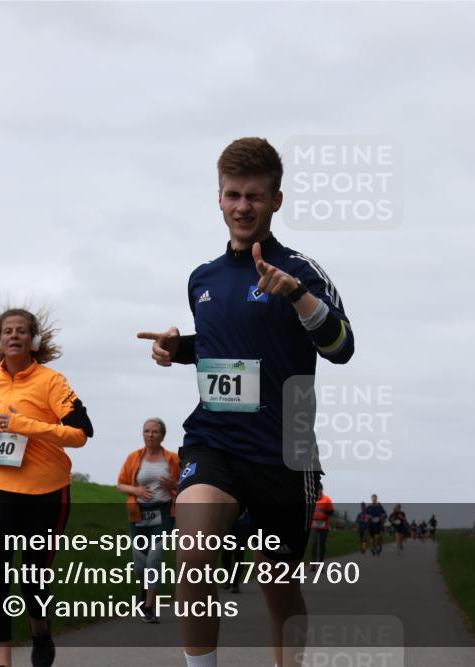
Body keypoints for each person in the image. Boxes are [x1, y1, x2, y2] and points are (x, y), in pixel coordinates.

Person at [138, 137, 354, 667]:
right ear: (218, 199)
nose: (242, 206)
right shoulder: (203, 278)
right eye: (232, 195)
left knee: (278, 591)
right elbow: (222, 346)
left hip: (285, 453)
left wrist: (297, 297)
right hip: (215, 443)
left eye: (254, 196)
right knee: (193, 556)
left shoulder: (302, 270)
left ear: (275, 201)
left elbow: (342, 348)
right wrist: (179, 348)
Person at [0, 308, 94, 667]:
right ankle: (2, 662)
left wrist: (26, 424)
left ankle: (40, 630)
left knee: (32, 580)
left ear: (33, 340)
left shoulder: (52, 382)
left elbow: (81, 433)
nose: (13, 336)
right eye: (7, 331)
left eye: (21, 331)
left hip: (47, 493)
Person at [116, 418, 180, 623]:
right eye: (147, 431)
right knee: (140, 564)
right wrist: (137, 490)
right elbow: (121, 484)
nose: (150, 435)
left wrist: (173, 483)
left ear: (162, 435)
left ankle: (150, 605)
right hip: (138, 514)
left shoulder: (172, 459)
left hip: (163, 514)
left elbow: (185, 485)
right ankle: (144, 592)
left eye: (155, 432)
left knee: (154, 558)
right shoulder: (134, 458)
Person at [308, 481, 335, 565]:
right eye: (317, 490)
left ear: (322, 490)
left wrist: (325, 511)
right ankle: (313, 563)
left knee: (322, 544)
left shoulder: (327, 499)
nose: (318, 491)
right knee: (314, 543)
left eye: (319, 489)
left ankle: (320, 562)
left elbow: (331, 512)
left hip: (324, 525)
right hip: (314, 524)